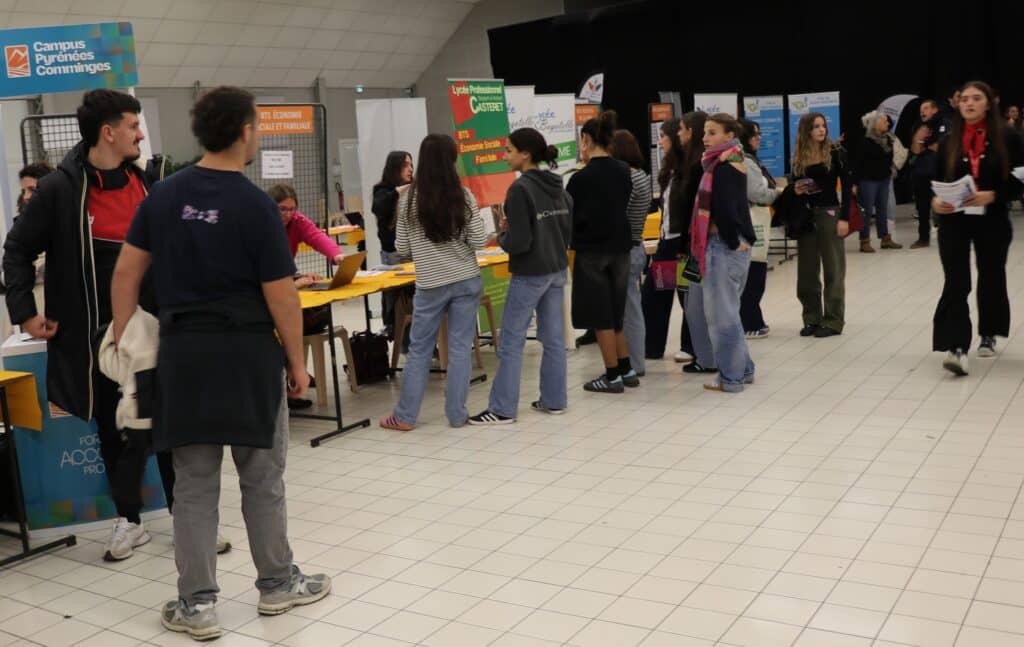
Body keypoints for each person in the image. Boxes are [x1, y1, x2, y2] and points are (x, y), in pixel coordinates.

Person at [111, 86, 330, 639]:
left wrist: (123, 342)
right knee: (262, 477)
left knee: (193, 483)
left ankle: (197, 605)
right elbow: (280, 294)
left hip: (183, 357)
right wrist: (296, 362)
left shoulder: (160, 197)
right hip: (249, 355)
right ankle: (277, 586)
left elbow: (125, 274)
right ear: (244, 132)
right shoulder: (254, 204)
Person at [2, 89, 179, 562]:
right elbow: (16, 251)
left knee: (164, 424)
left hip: (154, 332)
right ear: (109, 132)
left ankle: (187, 517)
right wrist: (24, 312)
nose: (141, 133)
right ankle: (130, 521)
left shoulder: (148, 184)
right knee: (110, 428)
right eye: (133, 125)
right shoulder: (61, 191)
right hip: (93, 340)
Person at [380, 134, 487, 430]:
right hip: (466, 279)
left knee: (420, 349)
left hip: (430, 283)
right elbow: (478, 240)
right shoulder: (463, 196)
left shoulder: (409, 199)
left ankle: (404, 417)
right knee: (459, 347)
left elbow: (401, 246)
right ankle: (456, 414)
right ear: (452, 159)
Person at [468, 129, 572, 424]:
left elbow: (519, 242)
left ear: (525, 154)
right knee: (553, 339)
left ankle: (502, 409)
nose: (504, 155)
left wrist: (502, 234)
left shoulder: (519, 190)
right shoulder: (558, 187)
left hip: (530, 273)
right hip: (556, 269)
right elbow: (566, 230)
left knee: (511, 340)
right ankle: (554, 400)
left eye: (509, 150)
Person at [930, 81, 1023, 375]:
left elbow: (1020, 178)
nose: (968, 103)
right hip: (954, 220)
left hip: (992, 219)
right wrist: (935, 201)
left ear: (988, 103)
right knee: (956, 281)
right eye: (964, 99)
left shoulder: (1007, 137)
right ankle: (956, 347)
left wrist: (994, 194)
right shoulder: (948, 141)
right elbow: (931, 179)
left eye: (976, 98)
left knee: (991, 276)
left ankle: (989, 332)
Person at [567, 110, 636, 393]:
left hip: (592, 251)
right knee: (617, 311)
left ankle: (611, 376)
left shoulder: (579, 180)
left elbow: (573, 217)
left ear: (585, 139)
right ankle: (626, 367)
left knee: (600, 315)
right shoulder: (624, 171)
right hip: (621, 247)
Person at [690, 114, 756, 392]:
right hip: (730, 245)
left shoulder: (725, 166)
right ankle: (744, 368)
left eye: (713, 132)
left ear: (729, 136)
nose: (705, 138)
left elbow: (727, 210)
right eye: (705, 132)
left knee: (721, 318)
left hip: (722, 247)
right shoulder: (732, 160)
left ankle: (731, 378)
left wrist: (730, 240)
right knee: (729, 313)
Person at [267, 183, 344, 409]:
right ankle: (286, 386)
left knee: (311, 317)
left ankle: (292, 382)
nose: (288, 214)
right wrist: (295, 282)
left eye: (292, 209)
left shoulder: (297, 222)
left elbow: (316, 236)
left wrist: (337, 256)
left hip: (282, 280)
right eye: (282, 209)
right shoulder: (262, 226)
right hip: (264, 290)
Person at [791, 112, 853, 338]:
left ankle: (834, 320)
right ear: (807, 130)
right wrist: (796, 189)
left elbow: (847, 187)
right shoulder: (799, 154)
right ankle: (811, 318)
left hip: (830, 213)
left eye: (823, 126)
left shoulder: (836, 152)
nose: (821, 130)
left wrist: (845, 218)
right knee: (806, 271)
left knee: (834, 268)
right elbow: (793, 183)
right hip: (806, 216)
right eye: (816, 126)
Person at [641, 117, 689, 362]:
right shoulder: (669, 169)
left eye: (663, 136)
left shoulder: (688, 168)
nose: (660, 142)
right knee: (656, 293)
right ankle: (652, 346)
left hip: (681, 243)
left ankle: (690, 346)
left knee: (686, 293)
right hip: (667, 241)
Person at [610, 128, 652, 376]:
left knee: (629, 310)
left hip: (626, 248)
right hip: (636, 245)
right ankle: (632, 359)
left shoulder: (628, 178)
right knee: (630, 307)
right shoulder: (642, 176)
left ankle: (634, 363)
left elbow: (617, 212)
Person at [736, 118, 782, 339]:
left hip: (752, 221)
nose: (759, 137)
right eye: (754, 134)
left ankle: (751, 319)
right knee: (754, 275)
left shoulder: (746, 159)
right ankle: (750, 322)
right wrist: (778, 193)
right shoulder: (746, 161)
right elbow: (757, 194)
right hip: (753, 221)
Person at [371, 151, 414, 338]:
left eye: (411, 165)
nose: (410, 169)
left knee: (413, 300)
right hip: (393, 253)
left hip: (413, 252)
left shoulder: (415, 188)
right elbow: (378, 208)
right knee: (395, 300)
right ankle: (397, 336)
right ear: (395, 168)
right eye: (406, 165)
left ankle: (415, 343)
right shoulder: (383, 190)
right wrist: (397, 192)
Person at [853, 111, 904, 253]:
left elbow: (889, 159)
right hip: (867, 181)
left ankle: (885, 239)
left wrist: (889, 172)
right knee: (867, 211)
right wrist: (855, 183)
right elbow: (858, 163)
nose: (888, 123)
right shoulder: (865, 140)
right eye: (884, 121)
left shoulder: (888, 139)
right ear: (875, 124)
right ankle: (864, 242)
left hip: (883, 179)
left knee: (883, 209)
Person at [909, 99, 947, 249]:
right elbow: (915, 150)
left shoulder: (945, 123)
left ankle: (948, 237)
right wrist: (920, 140)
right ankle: (923, 238)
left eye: (925, 108)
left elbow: (943, 147)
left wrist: (923, 144)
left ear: (935, 110)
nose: (922, 111)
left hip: (941, 172)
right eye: (921, 109)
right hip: (921, 173)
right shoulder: (918, 126)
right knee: (922, 208)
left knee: (945, 207)